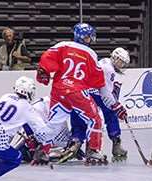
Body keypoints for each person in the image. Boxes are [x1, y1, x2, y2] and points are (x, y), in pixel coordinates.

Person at [36, 23, 119, 165]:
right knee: (95, 119)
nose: (90, 40)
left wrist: (43, 71)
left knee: (53, 123)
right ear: (82, 37)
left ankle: (42, 150)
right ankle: (93, 151)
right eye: (88, 37)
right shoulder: (91, 54)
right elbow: (98, 83)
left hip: (58, 90)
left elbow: (46, 58)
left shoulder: (62, 45)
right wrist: (114, 104)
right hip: (76, 91)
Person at [69, 47, 130, 162]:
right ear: (115, 58)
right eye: (121, 61)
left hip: (81, 91)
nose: (121, 65)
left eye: (123, 63)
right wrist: (116, 105)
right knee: (109, 114)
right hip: (94, 93)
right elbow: (105, 92)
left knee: (81, 116)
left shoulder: (104, 61)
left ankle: (76, 142)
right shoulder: (109, 69)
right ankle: (107, 146)